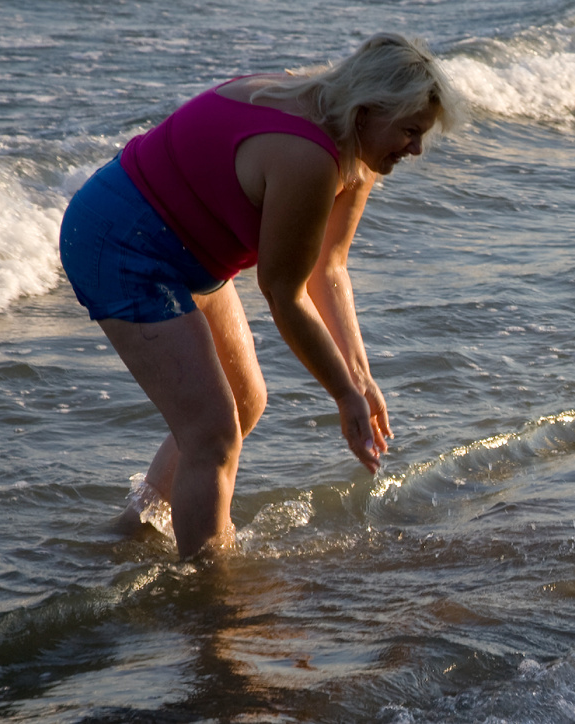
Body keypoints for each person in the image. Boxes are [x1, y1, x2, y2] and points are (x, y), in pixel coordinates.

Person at [58, 34, 465, 559]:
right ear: (367, 111)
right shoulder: (306, 155)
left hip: (184, 247)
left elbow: (328, 267)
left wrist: (360, 376)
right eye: (410, 131)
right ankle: (212, 592)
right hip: (119, 240)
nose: (416, 148)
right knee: (212, 431)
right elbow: (282, 293)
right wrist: (343, 395)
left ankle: (139, 524)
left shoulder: (355, 151)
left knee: (245, 401)